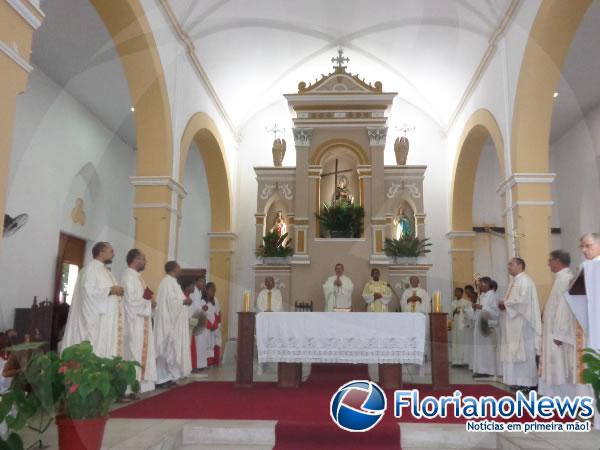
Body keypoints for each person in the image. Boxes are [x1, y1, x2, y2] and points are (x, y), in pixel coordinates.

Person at [61, 242, 124, 357]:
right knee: (93, 349)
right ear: (101, 252)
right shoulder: (90, 269)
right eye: (111, 251)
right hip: (94, 321)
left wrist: (116, 291)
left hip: (105, 320)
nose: (113, 254)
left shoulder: (105, 271)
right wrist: (110, 290)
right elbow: (88, 293)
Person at [567, 233, 600, 430]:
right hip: (594, 328)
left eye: (587, 246)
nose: (584, 250)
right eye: (582, 246)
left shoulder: (593, 267)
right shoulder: (588, 268)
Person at [539, 250, 579, 397]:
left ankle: (564, 396)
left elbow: (564, 308)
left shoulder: (565, 279)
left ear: (558, 261)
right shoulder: (560, 279)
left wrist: (560, 334)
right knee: (555, 363)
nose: (548, 263)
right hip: (553, 330)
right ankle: (554, 395)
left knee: (560, 364)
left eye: (550, 260)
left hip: (557, 332)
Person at [499, 257, 542, 392]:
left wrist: (505, 304)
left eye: (511, 264)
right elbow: (512, 300)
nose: (509, 266)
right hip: (514, 323)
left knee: (524, 353)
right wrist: (505, 303)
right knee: (515, 353)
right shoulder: (515, 281)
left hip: (522, 324)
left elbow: (522, 301)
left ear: (520, 265)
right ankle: (517, 381)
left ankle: (529, 383)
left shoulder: (525, 281)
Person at [121, 249, 157, 394]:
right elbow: (131, 302)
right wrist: (149, 304)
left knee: (139, 351)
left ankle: (141, 384)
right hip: (134, 323)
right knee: (133, 352)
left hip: (142, 322)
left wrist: (149, 301)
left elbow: (142, 298)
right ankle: (130, 387)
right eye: (143, 259)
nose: (145, 262)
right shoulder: (129, 277)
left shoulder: (138, 278)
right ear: (135, 260)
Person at [154, 261, 192, 386]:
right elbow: (172, 303)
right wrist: (184, 302)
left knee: (170, 350)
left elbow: (174, 300)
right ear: (174, 269)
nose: (181, 269)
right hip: (168, 322)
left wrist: (184, 301)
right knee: (165, 349)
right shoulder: (167, 282)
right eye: (179, 267)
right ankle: (161, 379)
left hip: (172, 322)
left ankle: (168, 377)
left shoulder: (172, 282)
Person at [472, 277, 500, 378]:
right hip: (480, 325)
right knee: (480, 349)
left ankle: (489, 370)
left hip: (488, 326)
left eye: (480, 284)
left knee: (487, 349)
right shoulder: (482, 296)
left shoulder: (493, 295)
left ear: (486, 284)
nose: (479, 286)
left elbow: (496, 312)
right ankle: (480, 369)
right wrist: (475, 308)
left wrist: (482, 307)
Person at [189, 275, 209, 371]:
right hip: (194, 319)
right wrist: (202, 308)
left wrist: (204, 306)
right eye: (201, 281)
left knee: (201, 343)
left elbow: (200, 304)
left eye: (204, 282)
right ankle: (195, 365)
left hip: (199, 319)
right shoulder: (193, 292)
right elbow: (193, 308)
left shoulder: (200, 292)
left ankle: (200, 364)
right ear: (196, 282)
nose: (203, 283)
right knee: (196, 343)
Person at [450, 287, 473, 366]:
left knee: (462, 341)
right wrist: (454, 311)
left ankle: (463, 361)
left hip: (462, 325)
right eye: (455, 292)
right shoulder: (453, 303)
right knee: (455, 342)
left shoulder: (466, 302)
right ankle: (455, 361)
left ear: (462, 293)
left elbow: (469, 313)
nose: (456, 293)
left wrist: (463, 311)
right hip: (455, 324)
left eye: (457, 292)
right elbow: (450, 315)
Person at [203, 282, 222, 366]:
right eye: (211, 290)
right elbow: (203, 315)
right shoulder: (203, 300)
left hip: (215, 326)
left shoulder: (216, 299)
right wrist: (209, 325)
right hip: (207, 327)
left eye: (214, 290)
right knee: (207, 344)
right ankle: (207, 362)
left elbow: (218, 312)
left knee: (216, 342)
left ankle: (215, 361)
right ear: (206, 290)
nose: (213, 292)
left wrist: (218, 323)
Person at [463, 285, 477, 369]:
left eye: (468, 292)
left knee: (474, 347)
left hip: (475, 326)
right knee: (470, 347)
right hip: (470, 327)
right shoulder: (469, 302)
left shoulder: (476, 300)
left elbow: (474, 312)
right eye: (466, 292)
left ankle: (474, 365)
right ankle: (471, 364)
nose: (467, 294)